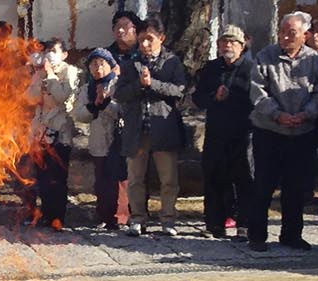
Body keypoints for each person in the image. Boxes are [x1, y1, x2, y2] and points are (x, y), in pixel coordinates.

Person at [244, 12, 318, 253]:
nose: (286, 36)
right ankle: (257, 235)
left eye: (292, 32)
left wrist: (306, 114)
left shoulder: (316, 61)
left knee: (296, 186)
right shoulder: (264, 56)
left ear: (305, 35)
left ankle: (292, 234)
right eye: (283, 31)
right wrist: (277, 114)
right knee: (263, 184)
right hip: (269, 129)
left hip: (302, 131)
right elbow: (258, 92)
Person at [113, 21, 186, 236]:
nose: (145, 44)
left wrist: (152, 84)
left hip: (164, 126)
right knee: (135, 178)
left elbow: (179, 90)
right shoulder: (130, 63)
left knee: (168, 179)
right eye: (142, 38)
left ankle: (168, 219)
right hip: (137, 128)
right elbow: (120, 94)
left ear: (161, 38)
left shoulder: (171, 62)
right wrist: (139, 85)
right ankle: (137, 218)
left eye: (150, 39)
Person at [191, 27, 251, 240]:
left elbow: (257, 99)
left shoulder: (250, 68)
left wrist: (232, 97)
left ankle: (245, 224)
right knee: (214, 176)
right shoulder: (211, 68)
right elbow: (197, 98)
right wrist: (213, 97)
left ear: (242, 46)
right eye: (224, 42)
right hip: (216, 131)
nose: (228, 46)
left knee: (244, 179)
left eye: (233, 42)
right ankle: (214, 224)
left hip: (244, 133)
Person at [27, 40, 79, 229]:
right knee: (43, 176)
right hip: (41, 132)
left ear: (64, 54)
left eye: (55, 51)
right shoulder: (40, 72)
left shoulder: (70, 72)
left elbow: (62, 97)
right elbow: (29, 98)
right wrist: (39, 76)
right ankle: (46, 213)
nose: (50, 55)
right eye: (48, 51)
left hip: (60, 131)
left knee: (57, 176)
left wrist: (50, 76)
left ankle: (58, 216)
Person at [80, 47, 126, 231]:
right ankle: (105, 216)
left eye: (101, 64)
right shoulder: (86, 88)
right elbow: (79, 114)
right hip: (98, 139)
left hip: (118, 138)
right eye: (93, 64)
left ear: (110, 65)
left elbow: (121, 111)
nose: (97, 68)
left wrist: (106, 102)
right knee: (102, 180)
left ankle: (122, 217)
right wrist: (94, 106)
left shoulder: (118, 85)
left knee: (120, 179)